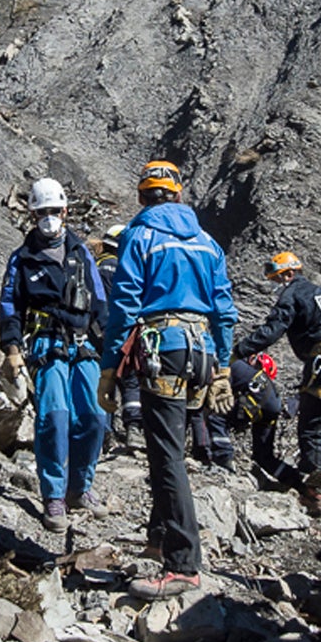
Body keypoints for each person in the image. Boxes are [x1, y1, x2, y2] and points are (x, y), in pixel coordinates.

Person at [99, 160, 236, 600]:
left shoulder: (139, 236)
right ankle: (159, 537)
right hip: (201, 350)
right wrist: (223, 366)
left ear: (142, 197)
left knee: (166, 455)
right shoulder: (207, 242)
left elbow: (124, 304)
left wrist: (109, 368)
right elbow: (224, 309)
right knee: (169, 447)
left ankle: (182, 563)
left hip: (164, 348)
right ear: (177, 195)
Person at [0, 178, 108, 534]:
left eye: (54, 211)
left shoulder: (81, 253)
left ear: (65, 211)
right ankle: (54, 496)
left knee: (94, 417)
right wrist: (12, 348)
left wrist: (111, 347)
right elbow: (10, 306)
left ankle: (80, 487)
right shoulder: (22, 258)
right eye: (41, 212)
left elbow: (99, 300)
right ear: (33, 215)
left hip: (84, 344)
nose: (49, 218)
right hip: (46, 344)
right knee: (54, 418)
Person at [238, 251, 321, 514]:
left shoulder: (293, 293)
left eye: (277, 279)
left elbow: (273, 330)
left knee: (313, 428)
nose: (277, 285)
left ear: (289, 273)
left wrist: (238, 351)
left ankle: (315, 495)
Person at [94, 225, 142, 447]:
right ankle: (133, 428)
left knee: (105, 380)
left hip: (95, 332)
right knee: (129, 380)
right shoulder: (123, 269)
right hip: (120, 330)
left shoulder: (95, 266)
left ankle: (105, 432)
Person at [229, 352, 299, 489]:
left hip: (261, 408)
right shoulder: (268, 386)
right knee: (264, 457)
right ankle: (296, 481)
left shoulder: (241, 369)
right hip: (271, 412)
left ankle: (220, 459)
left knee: (217, 419)